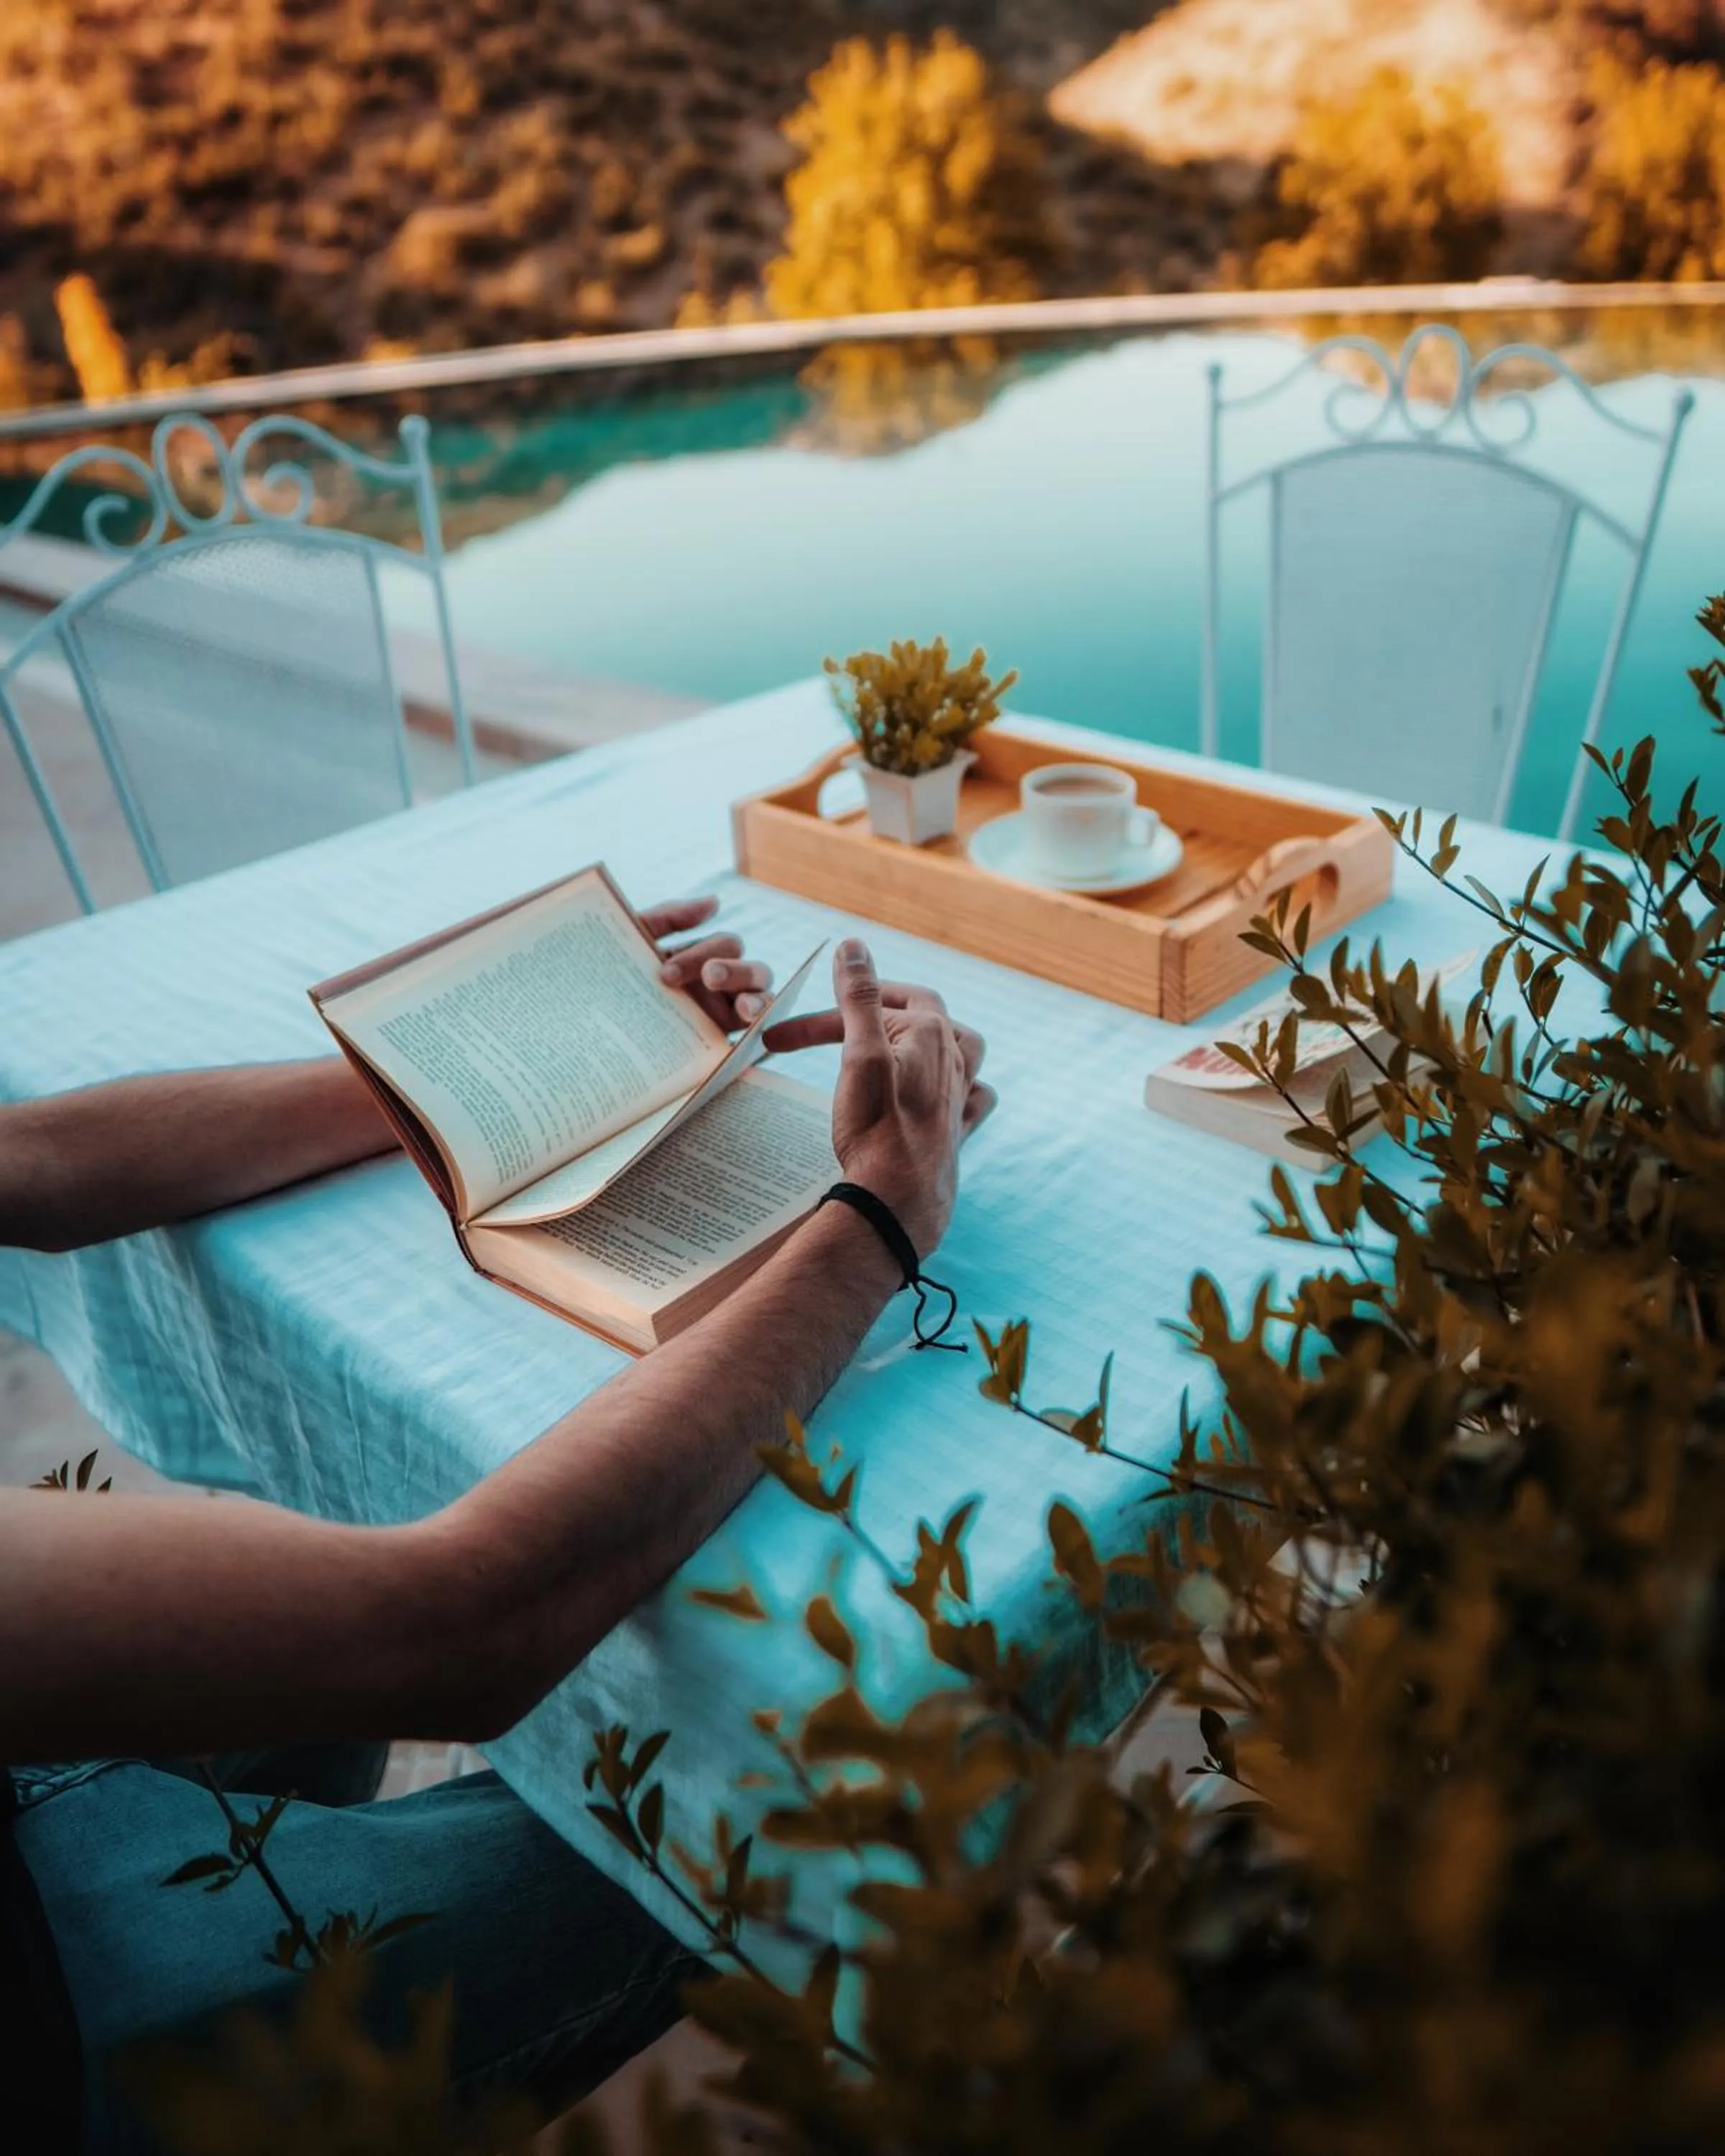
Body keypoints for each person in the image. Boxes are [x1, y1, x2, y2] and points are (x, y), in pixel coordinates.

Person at [0, 895, 994, 2152]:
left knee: (335, 1623)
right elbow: (461, 1622)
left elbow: (28, 1159)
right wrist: (883, 1216)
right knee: (771, 1813)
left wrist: (500, 1089)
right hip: (58, 2012)